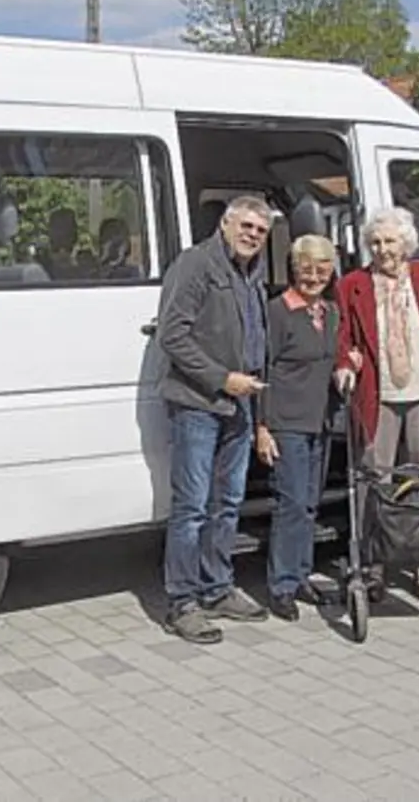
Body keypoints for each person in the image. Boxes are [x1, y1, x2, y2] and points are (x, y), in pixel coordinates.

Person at [155, 195, 275, 642]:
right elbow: (172, 335)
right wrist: (222, 379)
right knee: (191, 508)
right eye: (246, 226)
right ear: (225, 223)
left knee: (227, 503)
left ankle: (217, 587)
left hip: (239, 405)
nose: (252, 235)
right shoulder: (196, 264)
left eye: (260, 231)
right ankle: (182, 602)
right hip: (198, 403)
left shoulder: (252, 273)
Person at [333, 208, 419, 604]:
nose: (383, 249)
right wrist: (344, 365)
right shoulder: (352, 285)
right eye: (375, 242)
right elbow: (343, 337)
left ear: (406, 243)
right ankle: (372, 567)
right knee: (374, 477)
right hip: (378, 395)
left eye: (390, 241)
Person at [256, 235, 342, 621]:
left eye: (322, 269)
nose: (314, 276)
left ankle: (302, 573)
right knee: (290, 504)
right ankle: (282, 585)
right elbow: (263, 369)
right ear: (294, 269)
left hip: (319, 421)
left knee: (309, 504)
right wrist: (262, 426)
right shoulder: (278, 312)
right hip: (286, 422)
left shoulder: (329, 312)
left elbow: (334, 359)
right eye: (306, 268)